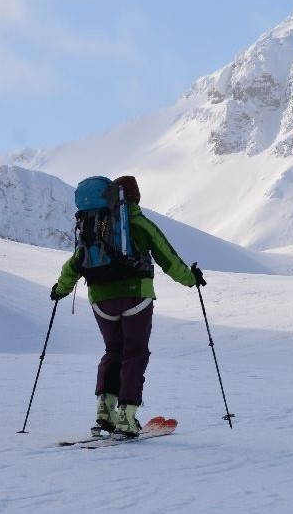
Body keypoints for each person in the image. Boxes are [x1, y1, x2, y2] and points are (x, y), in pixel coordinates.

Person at [50, 176, 205, 439]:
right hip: (135, 297)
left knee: (113, 350)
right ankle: (126, 416)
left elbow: (76, 262)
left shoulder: (94, 224)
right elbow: (169, 259)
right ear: (135, 197)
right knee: (135, 352)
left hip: (100, 299)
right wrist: (192, 279)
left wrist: (61, 289)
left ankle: (104, 410)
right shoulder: (140, 223)